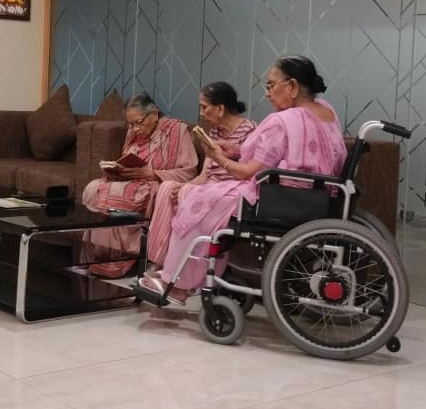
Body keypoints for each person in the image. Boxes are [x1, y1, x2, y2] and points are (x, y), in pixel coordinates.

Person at [139, 55, 346, 305]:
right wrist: (234, 149)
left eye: (270, 86)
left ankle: (177, 283)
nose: (267, 94)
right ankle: (187, 274)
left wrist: (218, 156)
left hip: (279, 198)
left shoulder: (283, 120)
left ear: (291, 87)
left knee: (195, 199)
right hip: (318, 195)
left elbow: (248, 171)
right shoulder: (326, 111)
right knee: (204, 194)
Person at [81, 91, 198, 278]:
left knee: (118, 194)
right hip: (131, 182)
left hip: (155, 184)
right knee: (92, 188)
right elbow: (129, 159)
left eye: (138, 122)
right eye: (131, 124)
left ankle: (119, 258)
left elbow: (189, 171)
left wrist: (152, 174)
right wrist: (117, 172)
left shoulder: (177, 130)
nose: (135, 129)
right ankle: (99, 258)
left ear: (154, 114)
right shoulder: (133, 132)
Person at [144, 82, 256, 273]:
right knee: (168, 187)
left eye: (204, 107)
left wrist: (187, 189)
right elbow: (205, 175)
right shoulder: (213, 132)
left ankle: (180, 268)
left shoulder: (251, 130)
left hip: (231, 190)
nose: (202, 114)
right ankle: (157, 260)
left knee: (186, 191)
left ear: (220, 108)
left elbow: (249, 173)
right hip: (209, 186)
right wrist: (182, 186)